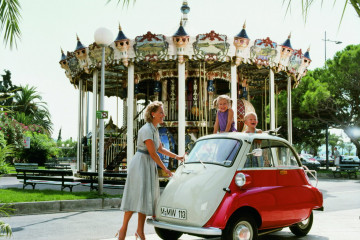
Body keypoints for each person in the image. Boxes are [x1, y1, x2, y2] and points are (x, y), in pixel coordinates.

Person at [116, 101, 184, 240]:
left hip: (148, 163)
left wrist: (177, 157)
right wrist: (165, 169)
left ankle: (140, 231)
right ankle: (123, 228)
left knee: (144, 198)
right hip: (141, 163)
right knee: (135, 196)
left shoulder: (154, 129)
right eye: (161, 112)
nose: (163, 115)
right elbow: (153, 153)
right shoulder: (146, 129)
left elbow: (160, 149)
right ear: (153, 114)